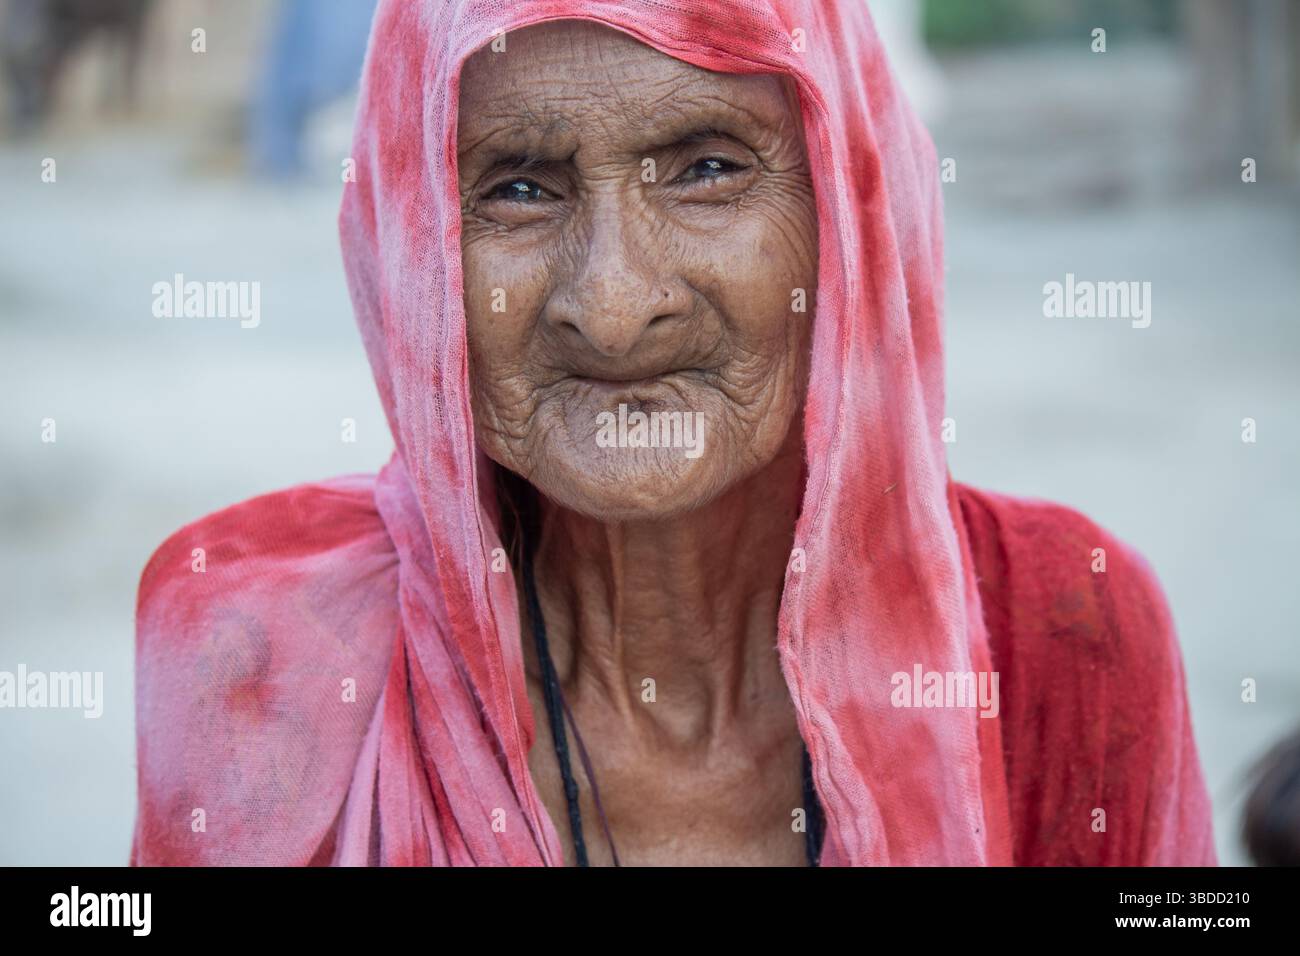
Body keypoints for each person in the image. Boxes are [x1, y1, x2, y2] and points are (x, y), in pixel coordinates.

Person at [130, 0, 1216, 866]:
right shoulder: (258, 645)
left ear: (851, 208)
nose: (611, 302)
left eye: (706, 168)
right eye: (516, 188)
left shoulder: (1063, 630)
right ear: (407, 247)